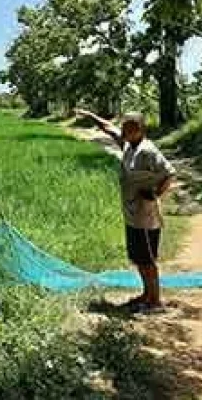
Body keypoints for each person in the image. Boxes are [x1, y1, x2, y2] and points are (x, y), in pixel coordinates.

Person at [75, 109, 176, 312]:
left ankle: (155, 301)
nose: (122, 132)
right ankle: (146, 295)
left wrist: (155, 194)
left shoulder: (148, 151)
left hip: (145, 217)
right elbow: (109, 129)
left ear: (138, 129)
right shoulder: (129, 145)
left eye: (127, 128)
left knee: (148, 260)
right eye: (122, 128)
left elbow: (169, 173)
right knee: (139, 259)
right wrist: (90, 115)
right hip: (132, 215)